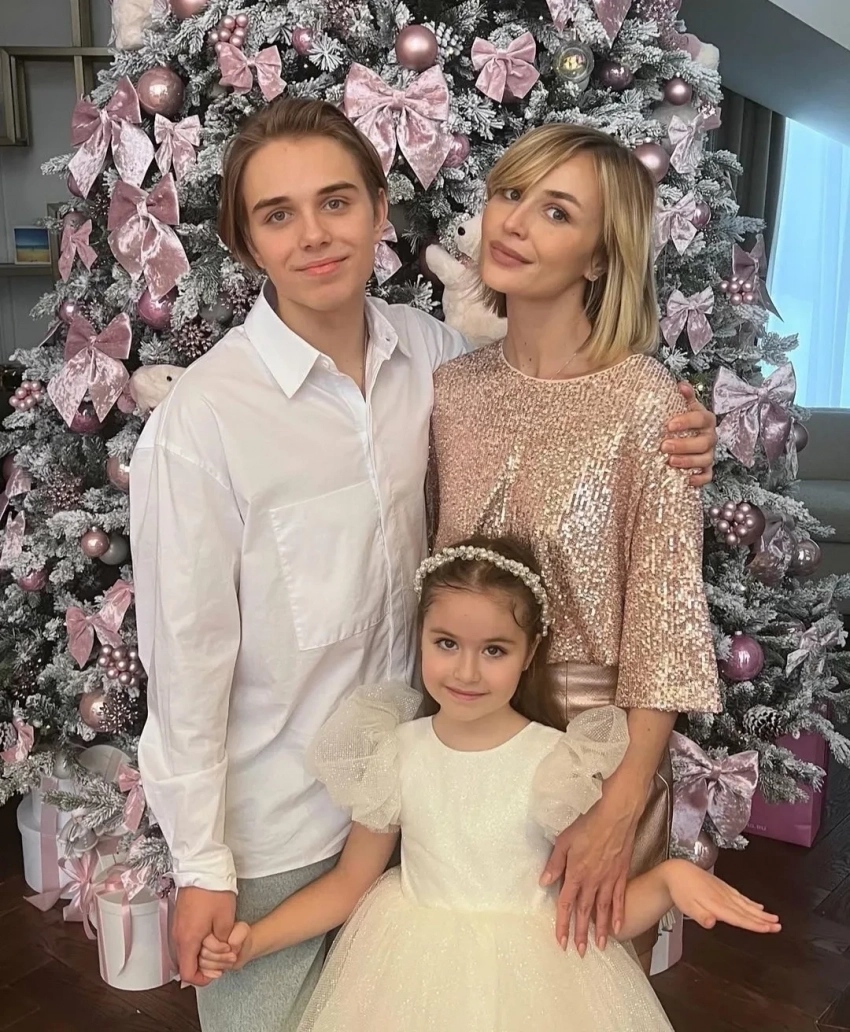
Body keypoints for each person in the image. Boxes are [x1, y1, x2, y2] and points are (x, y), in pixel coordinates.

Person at [130, 99, 717, 1030]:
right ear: (245, 241)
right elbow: (186, 660)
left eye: (336, 202)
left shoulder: (432, 360)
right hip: (293, 818)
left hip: (508, 779)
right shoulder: (208, 421)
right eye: (278, 214)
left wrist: (680, 433)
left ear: (379, 210)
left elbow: (658, 612)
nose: (314, 235)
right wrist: (200, 861)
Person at [196, 539, 779, 1032]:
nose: (467, 671)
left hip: (541, 987)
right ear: (421, 637)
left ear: (529, 654)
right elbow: (350, 883)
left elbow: (600, 917)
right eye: (446, 643)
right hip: (405, 981)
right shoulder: (396, 752)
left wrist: (672, 878)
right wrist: (255, 941)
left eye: (494, 650)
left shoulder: (558, 765)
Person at [429, 123, 723, 974]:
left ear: (599, 256)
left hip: (592, 758)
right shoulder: (451, 390)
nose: (515, 223)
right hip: (464, 735)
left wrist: (621, 807)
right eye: (511, 194)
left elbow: (665, 631)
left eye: (556, 212)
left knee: (577, 984)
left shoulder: (647, 405)